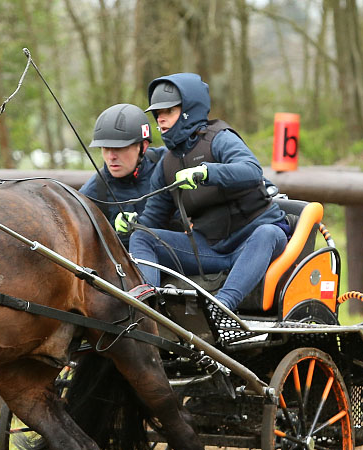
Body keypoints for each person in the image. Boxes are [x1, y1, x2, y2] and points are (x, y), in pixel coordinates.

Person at [116, 73, 288, 312]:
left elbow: (251, 170)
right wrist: (131, 226)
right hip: (210, 249)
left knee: (269, 233)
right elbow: (153, 220)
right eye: (157, 114)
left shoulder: (220, 139)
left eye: (169, 112)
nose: (161, 119)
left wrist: (206, 173)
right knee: (143, 237)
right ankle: (146, 310)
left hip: (254, 240)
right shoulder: (167, 164)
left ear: (189, 110)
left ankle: (222, 310)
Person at [79, 103, 164, 248]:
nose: (111, 157)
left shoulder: (166, 163)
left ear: (143, 146)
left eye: (119, 148)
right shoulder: (92, 193)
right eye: (105, 148)